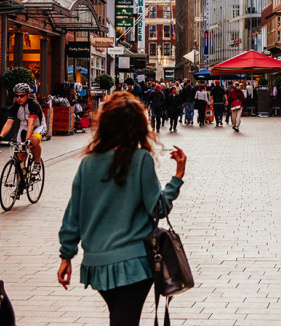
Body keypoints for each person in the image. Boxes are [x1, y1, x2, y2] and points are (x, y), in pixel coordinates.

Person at [57, 92, 186, 326]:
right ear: (139, 126)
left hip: (97, 262)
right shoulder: (140, 160)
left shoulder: (88, 163)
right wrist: (177, 177)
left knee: (119, 317)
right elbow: (158, 208)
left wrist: (66, 256)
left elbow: (73, 215)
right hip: (134, 262)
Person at [0, 83, 47, 173]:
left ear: (27, 95)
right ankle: (21, 182)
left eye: (22, 96)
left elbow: (31, 123)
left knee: (33, 142)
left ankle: (37, 163)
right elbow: (8, 123)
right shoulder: (15, 106)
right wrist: (0, 136)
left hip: (38, 126)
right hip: (24, 127)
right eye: (17, 96)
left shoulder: (33, 104)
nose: (19, 98)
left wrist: (27, 140)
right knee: (20, 157)